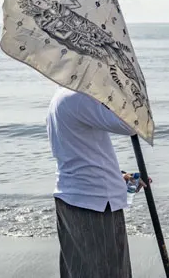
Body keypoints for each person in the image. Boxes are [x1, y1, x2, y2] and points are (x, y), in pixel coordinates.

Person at [47, 86, 149, 278]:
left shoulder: (60, 97)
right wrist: (124, 86)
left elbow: (81, 155)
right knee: (109, 272)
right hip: (94, 205)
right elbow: (132, 124)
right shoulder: (79, 97)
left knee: (79, 271)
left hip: (74, 198)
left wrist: (119, 179)